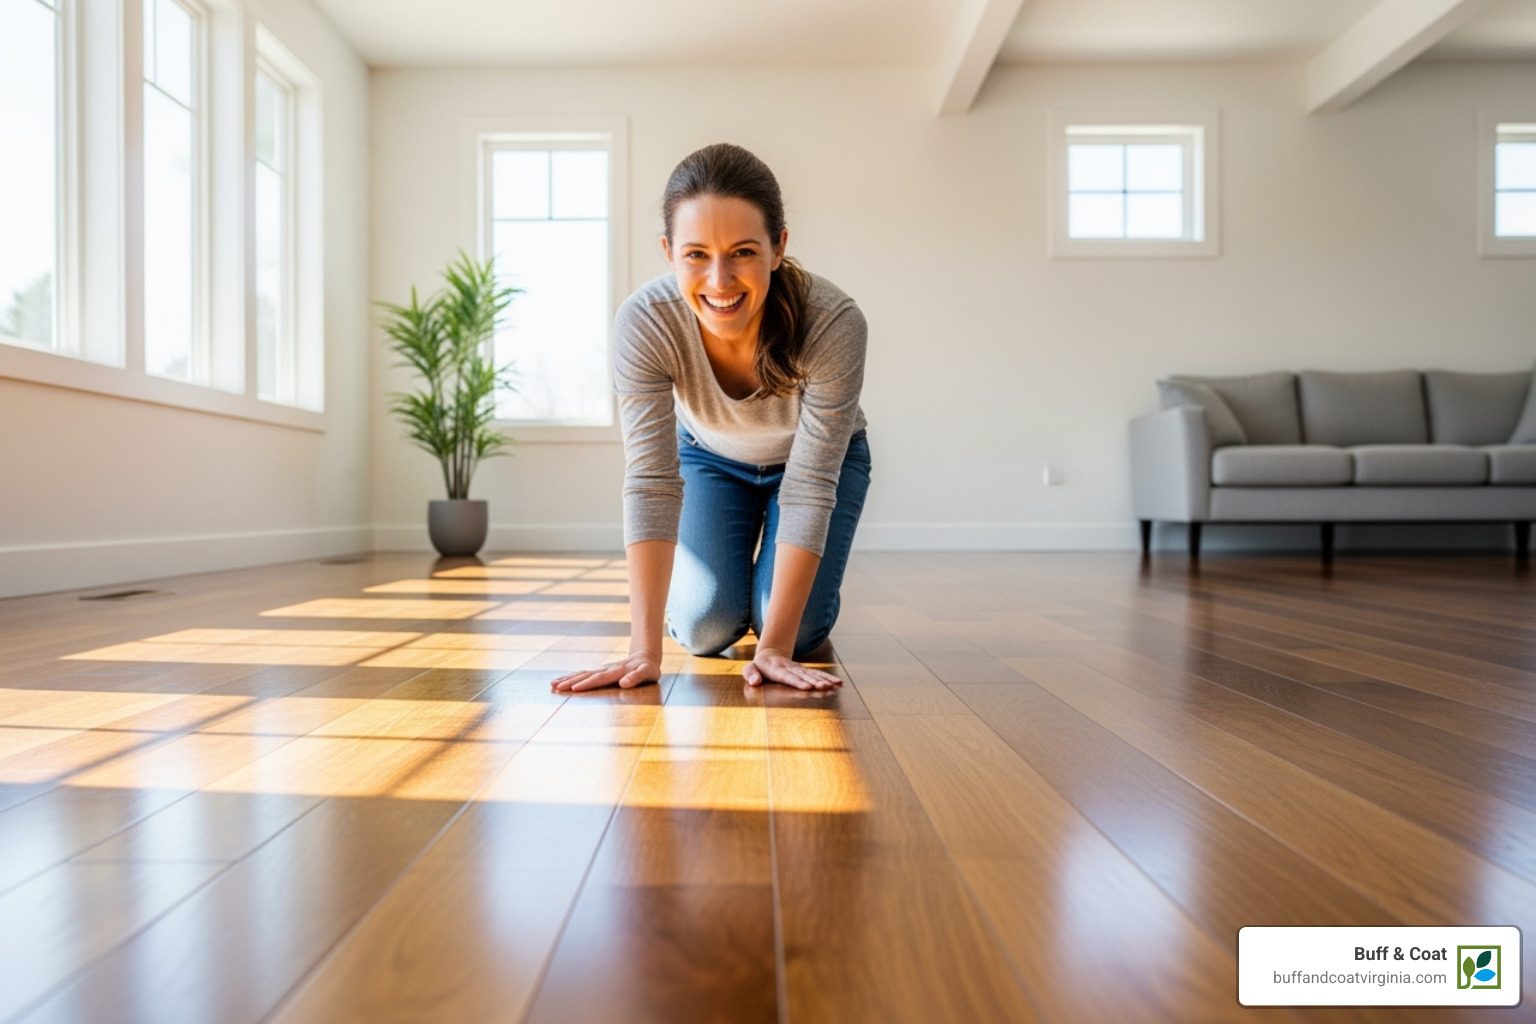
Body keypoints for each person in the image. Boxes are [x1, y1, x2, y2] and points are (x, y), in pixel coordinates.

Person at [550, 143, 871, 694]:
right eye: (696, 254)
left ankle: (781, 608)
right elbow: (651, 480)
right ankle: (743, 595)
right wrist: (642, 651)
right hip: (711, 457)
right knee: (703, 628)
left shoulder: (832, 322)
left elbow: (811, 485)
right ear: (668, 252)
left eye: (743, 251)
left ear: (778, 248)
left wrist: (772, 646)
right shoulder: (646, 322)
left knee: (796, 632)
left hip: (818, 465)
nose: (719, 280)